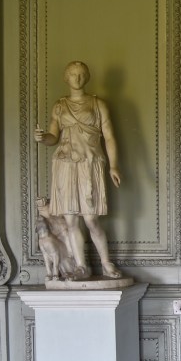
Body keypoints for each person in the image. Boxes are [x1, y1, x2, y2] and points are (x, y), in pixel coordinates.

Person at [34, 61, 123, 279]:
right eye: (73, 74)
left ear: (87, 76)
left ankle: (106, 263)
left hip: (89, 163)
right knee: (71, 220)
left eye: (81, 74)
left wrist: (114, 165)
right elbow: (54, 137)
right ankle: (81, 266)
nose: (78, 78)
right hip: (65, 164)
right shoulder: (59, 105)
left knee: (91, 219)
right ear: (66, 78)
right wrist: (44, 138)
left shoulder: (98, 104)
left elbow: (109, 136)